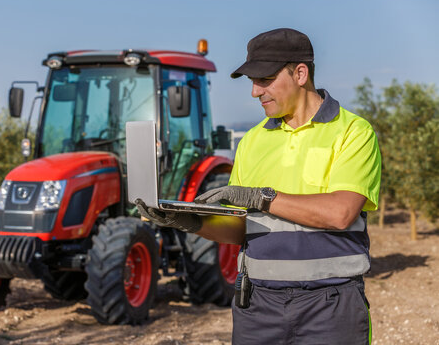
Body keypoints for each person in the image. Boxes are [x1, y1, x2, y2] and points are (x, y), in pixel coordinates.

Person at [136, 28, 381, 345]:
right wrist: (190, 221)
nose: (255, 91)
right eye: (252, 81)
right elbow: (240, 229)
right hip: (258, 306)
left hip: (330, 307)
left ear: (301, 73)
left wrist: (261, 198)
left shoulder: (353, 132)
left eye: (264, 79)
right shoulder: (252, 141)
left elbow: (340, 213)